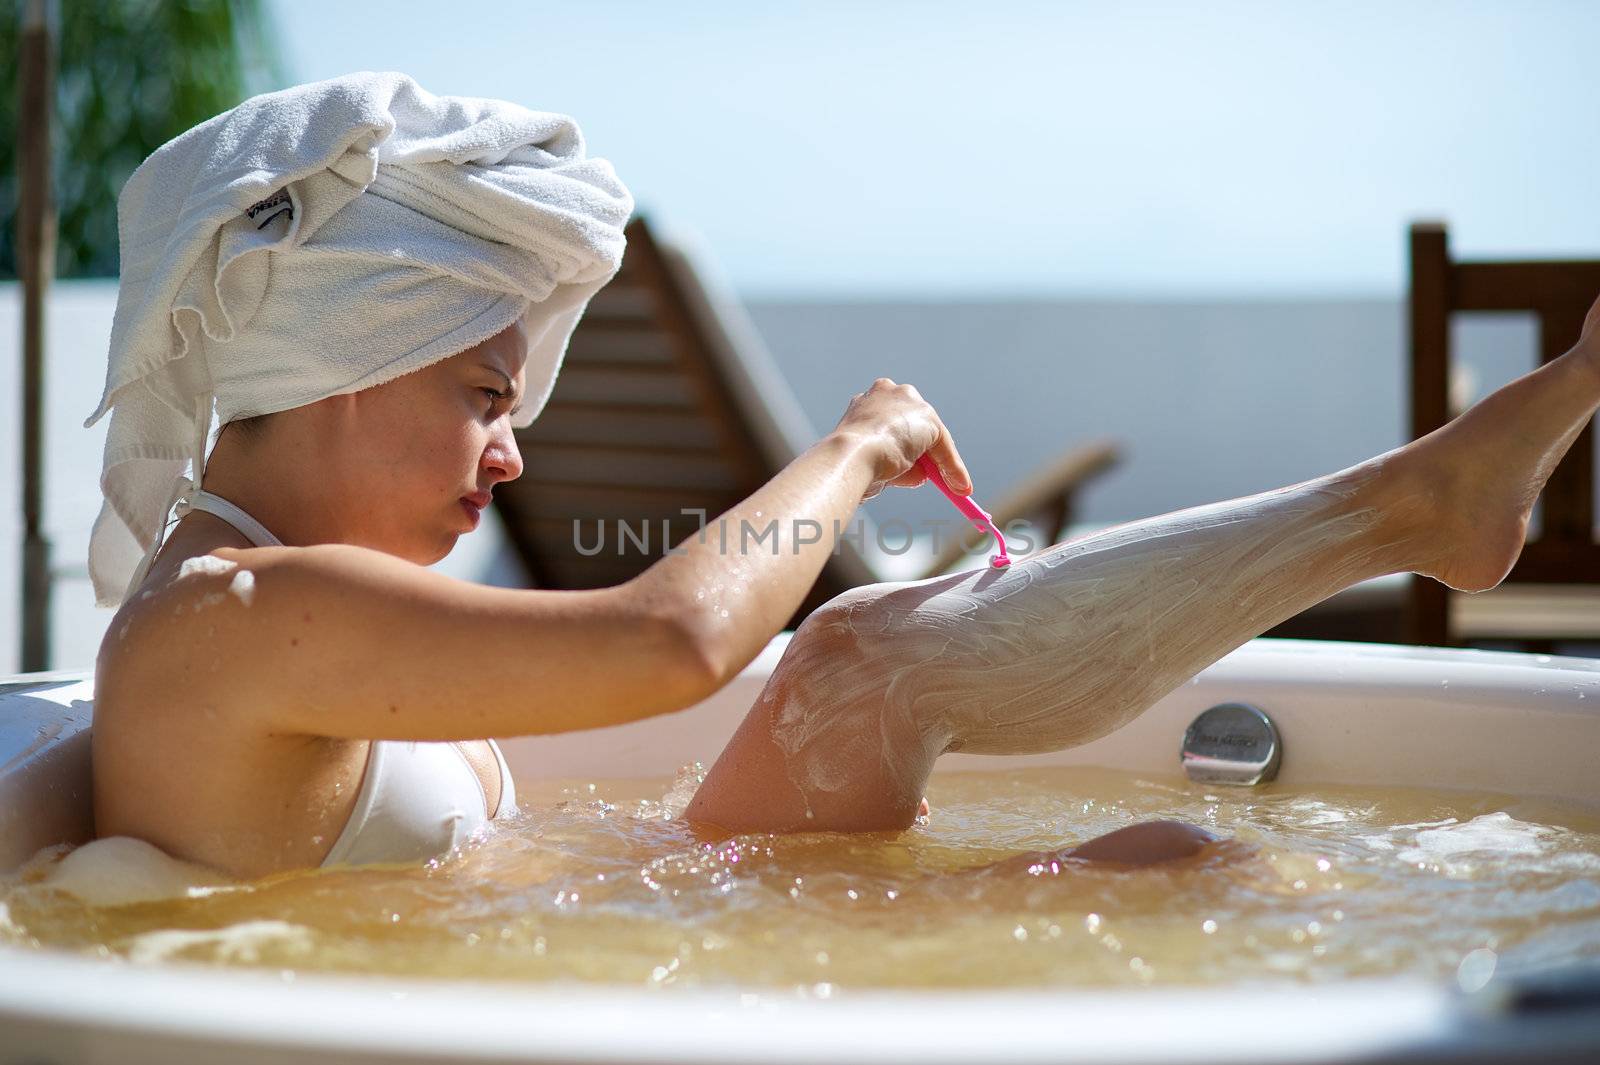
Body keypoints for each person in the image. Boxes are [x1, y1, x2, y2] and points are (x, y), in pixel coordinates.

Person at [88, 73, 1600, 881]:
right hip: (600, 979)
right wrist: (859, 446)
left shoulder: (294, 604)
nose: (515, 445)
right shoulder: (225, 613)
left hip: (631, 922)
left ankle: (1416, 505)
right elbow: (671, 641)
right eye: (485, 394)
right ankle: (1412, 507)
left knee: (891, 669)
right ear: (346, 367)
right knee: (892, 673)